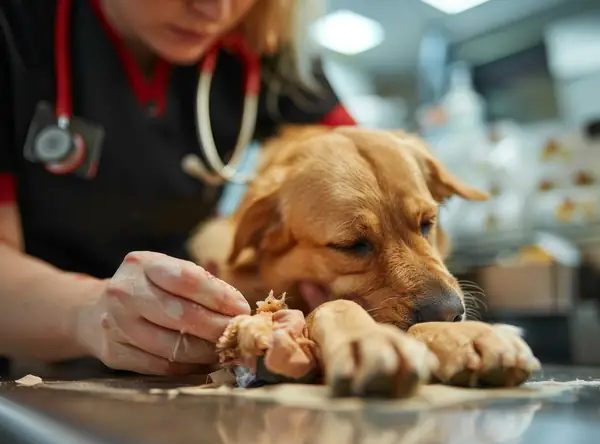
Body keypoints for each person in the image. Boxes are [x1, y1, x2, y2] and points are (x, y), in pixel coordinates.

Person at [0, 0, 356, 377]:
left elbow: (366, 166)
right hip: (29, 361)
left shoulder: (260, 39)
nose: (215, 12)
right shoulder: (18, 25)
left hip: (185, 357)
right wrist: (88, 311)